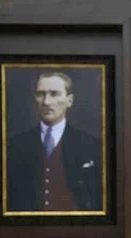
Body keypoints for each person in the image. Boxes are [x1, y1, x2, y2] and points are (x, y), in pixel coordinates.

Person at [6, 72, 103, 212]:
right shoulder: (14, 145)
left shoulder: (91, 145)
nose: (46, 102)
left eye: (54, 94)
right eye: (41, 94)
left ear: (70, 100)